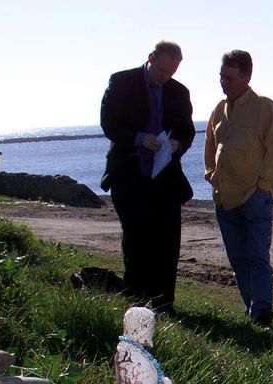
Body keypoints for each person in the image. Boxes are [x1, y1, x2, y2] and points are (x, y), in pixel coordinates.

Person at [100, 41, 196, 312]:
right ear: (151, 58)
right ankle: (136, 302)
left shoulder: (179, 92)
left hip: (165, 177)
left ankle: (164, 303)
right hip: (130, 174)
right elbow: (109, 123)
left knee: (167, 241)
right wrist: (140, 139)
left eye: (171, 73)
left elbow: (187, 131)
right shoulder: (122, 82)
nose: (165, 77)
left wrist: (177, 144)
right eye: (162, 70)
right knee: (136, 240)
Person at [203, 49, 273, 328]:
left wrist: (263, 187)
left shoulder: (265, 108)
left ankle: (262, 314)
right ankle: (252, 312)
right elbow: (211, 147)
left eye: (229, 77)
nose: (223, 82)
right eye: (221, 76)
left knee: (257, 258)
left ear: (246, 76)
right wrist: (212, 176)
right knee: (239, 260)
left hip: (254, 198)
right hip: (224, 198)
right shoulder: (218, 110)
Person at [114, 306, 179, 384]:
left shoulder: (128, 350)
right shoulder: (135, 358)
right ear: (142, 327)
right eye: (151, 326)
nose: (153, 330)